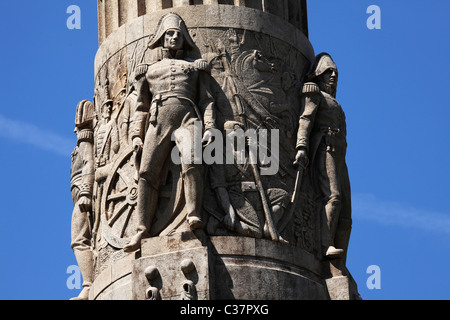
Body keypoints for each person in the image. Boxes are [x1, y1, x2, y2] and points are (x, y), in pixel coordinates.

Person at [124, 13, 216, 252]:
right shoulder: (149, 71)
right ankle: (142, 228)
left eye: (178, 34)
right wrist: (136, 135)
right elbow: (141, 106)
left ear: (185, 39)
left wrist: (210, 127)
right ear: (161, 38)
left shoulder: (194, 69)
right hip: (158, 119)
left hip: (188, 116)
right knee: (146, 172)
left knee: (192, 160)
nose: (174, 38)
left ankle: (194, 213)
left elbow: (206, 101)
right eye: (169, 34)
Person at [294, 53, 352, 260]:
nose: (334, 75)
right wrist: (301, 147)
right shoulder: (315, 93)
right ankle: (325, 245)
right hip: (325, 150)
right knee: (333, 197)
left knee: (346, 215)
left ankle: (340, 261)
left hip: (340, 157)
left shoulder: (335, 102)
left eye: (336, 72)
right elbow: (305, 120)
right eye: (329, 71)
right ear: (319, 74)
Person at [70, 100, 95, 300]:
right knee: (79, 239)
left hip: (84, 197)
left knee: (78, 239)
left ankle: (88, 284)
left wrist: (86, 192)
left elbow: (89, 164)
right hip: (79, 196)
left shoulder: (85, 140)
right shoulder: (79, 144)